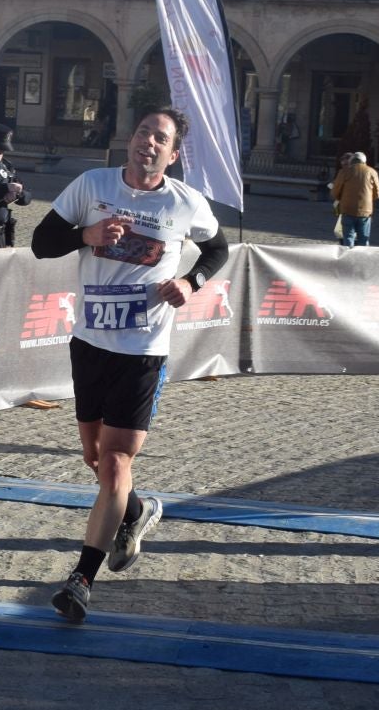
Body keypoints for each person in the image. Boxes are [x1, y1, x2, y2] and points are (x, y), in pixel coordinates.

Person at [27, 106, 231, 624]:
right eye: (142, 132)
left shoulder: (186, 202)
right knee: (95, 459)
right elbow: (40, 243)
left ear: (173, 153)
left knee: (116, 463)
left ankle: (81, 580)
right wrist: (87, 237)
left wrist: (191, 283)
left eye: (159, 138)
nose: (148, 143)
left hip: (143, 351)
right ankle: (137, 512)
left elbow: (219, 248)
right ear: (130, 138)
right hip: (89, 342)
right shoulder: (92, 185)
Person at [330, 150, 379, 248]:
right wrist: (368, 200)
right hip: (365, 211)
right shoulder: (372, 172)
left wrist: (341, 198)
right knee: (363, 238)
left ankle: (347, 258)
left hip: (347, 209)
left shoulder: (344, 171)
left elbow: (335, 192)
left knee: (348, 237)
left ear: (352, 161)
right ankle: (361, 260)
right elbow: (378, 193)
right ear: (364, 161)